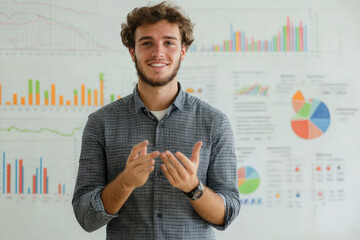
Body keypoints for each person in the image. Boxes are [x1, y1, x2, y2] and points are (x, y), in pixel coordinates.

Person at [72, 2, 240, 239]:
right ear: (133, 52)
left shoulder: (215, 123)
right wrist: (126, 182)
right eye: (147, 42)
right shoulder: (101, 123)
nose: (158, 52)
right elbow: (86, 218)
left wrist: (193, 188)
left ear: (183, 51)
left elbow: (227, 214)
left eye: (169, 43)